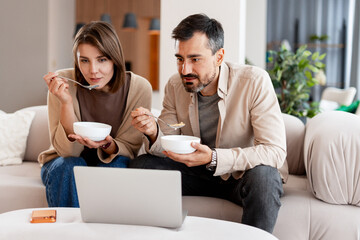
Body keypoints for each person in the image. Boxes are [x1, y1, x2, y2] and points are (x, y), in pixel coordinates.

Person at [130, 14, 288, 233]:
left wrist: (215, 157)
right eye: (180, 59)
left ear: (219, 56)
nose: (184, 70)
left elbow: (275, 151)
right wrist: (153, 132)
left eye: (195, 59)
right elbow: (166, 141)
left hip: (239, 176)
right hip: (196, 173)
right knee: (142, 165)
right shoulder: (175, 86)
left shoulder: (254, 82)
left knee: (266, 177)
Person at [39, 21, 152, 207]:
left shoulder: (139, 88)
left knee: (115, 167)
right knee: (69, 167)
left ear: (114, 59)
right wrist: (66, 102)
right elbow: (68, 151)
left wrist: (107, 144)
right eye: (84, 60)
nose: (92, 71)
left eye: (102, 60)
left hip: (112, 160)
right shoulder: (62, 84)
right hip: (63, 163)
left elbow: (129, 149)